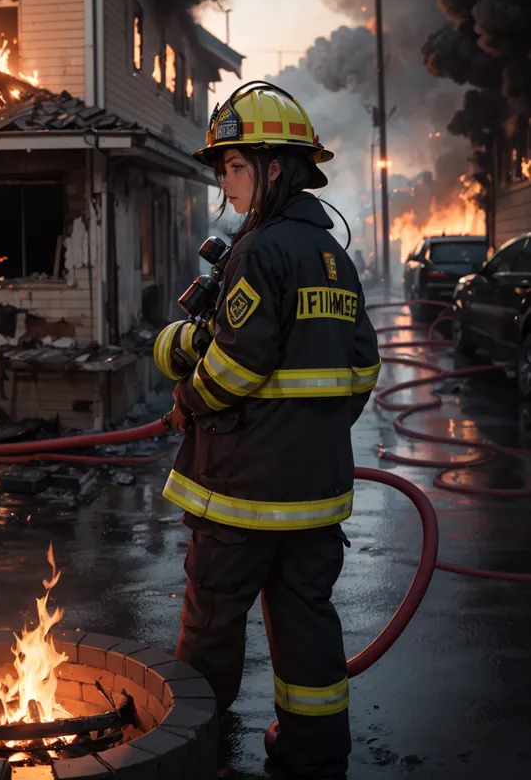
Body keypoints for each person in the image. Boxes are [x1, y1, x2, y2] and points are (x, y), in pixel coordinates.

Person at [156, 81, 380, 779]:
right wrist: (312, 431)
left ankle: (194, 755)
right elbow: (363, 366)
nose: (226, 182)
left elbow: (237, 362)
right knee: (307, 627)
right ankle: (314, 756)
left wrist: (189, 401)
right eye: (222, 169)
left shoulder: (262, 252)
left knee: (212, 630)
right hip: (314, 494)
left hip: (241, 494)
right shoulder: (333, 259)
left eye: (235, 166)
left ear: (275, 167)